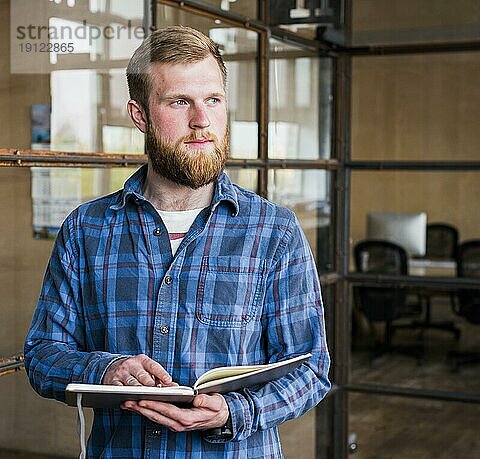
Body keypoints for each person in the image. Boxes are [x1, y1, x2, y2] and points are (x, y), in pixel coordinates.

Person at [24, 25, 330, 458]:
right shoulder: (85, 230)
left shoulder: (274, 232)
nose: (202, 120)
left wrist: (231, 411)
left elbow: (312, 370)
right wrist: (106, 368)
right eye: (180, 101)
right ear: (140, 115)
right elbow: (41, 356)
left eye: (213, 100)